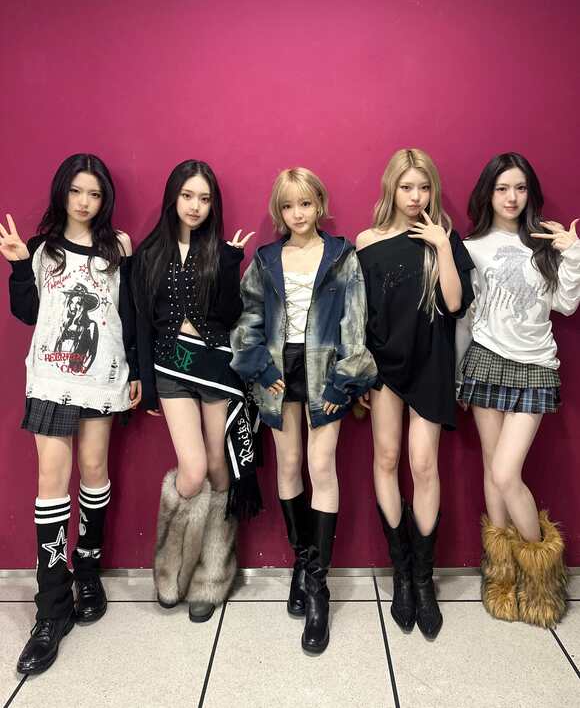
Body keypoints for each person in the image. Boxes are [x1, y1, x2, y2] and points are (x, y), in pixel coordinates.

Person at [1, 153, 140, 675]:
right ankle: (52, 607)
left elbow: (129, 314)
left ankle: (88, 570)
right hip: (51, 379)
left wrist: (137, 373)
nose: (84, 202)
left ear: (105, 200)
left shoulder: (118, 247)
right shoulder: (43, 249)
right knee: (51, 484)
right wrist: (20, 265)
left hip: (102, 375)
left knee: (95, 471)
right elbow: (28, 313)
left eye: (95, 194)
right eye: (77, 191)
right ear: (62, 192)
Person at [231, 167, 376, 654]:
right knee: (289, 464)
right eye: (288, 205)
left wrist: (344, 379)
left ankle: (318, 587)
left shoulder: (341, 256)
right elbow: (248, 317)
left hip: (325, 370)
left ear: (319, 204)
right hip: (278, 370)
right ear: (280, 210)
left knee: (321, 465)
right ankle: (303, 560)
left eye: (306, 203)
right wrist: (257, 364)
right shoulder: (266, 259)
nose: (298, 213)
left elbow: (355, 322)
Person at [133, 159, 260, 624]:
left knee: (219, 466)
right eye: (188, 195)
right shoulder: (148, 253)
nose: (195, 206)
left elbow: (228, 315)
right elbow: (141, 324)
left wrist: (230, 264)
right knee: (192, 469)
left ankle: (212, 577)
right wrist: (147, 386)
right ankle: (171, 571)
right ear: (173, 197)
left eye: (204, 199)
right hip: (170, 366)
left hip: (214, 365)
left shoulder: (219, 251)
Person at [456, 152, 579, 628]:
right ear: (488, 193)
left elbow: (566, 303)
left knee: (508, 473)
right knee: (492, 470)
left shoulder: (545, 242)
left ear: (531, 193)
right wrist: (458, 376)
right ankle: (501, 577)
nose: (511, 197)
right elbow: (466, 317)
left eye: (520, 188)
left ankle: (542, 578)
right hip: (486, 361)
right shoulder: (473, 247)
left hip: (535, 366)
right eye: (502, 188)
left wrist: (573, 252)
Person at [356, 148, 473, 640]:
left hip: (430, 364)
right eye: (407, 187)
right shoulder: (367, 241)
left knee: (424, 465)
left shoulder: (444, 236)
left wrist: (442, 246)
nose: (416, 196)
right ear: (391, 188)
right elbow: (359, 313)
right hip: (384, 365)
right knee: (386, 459)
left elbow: (454, 303)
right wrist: (359, 375)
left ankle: (424, 580)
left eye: (424, 187)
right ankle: (401, 573)